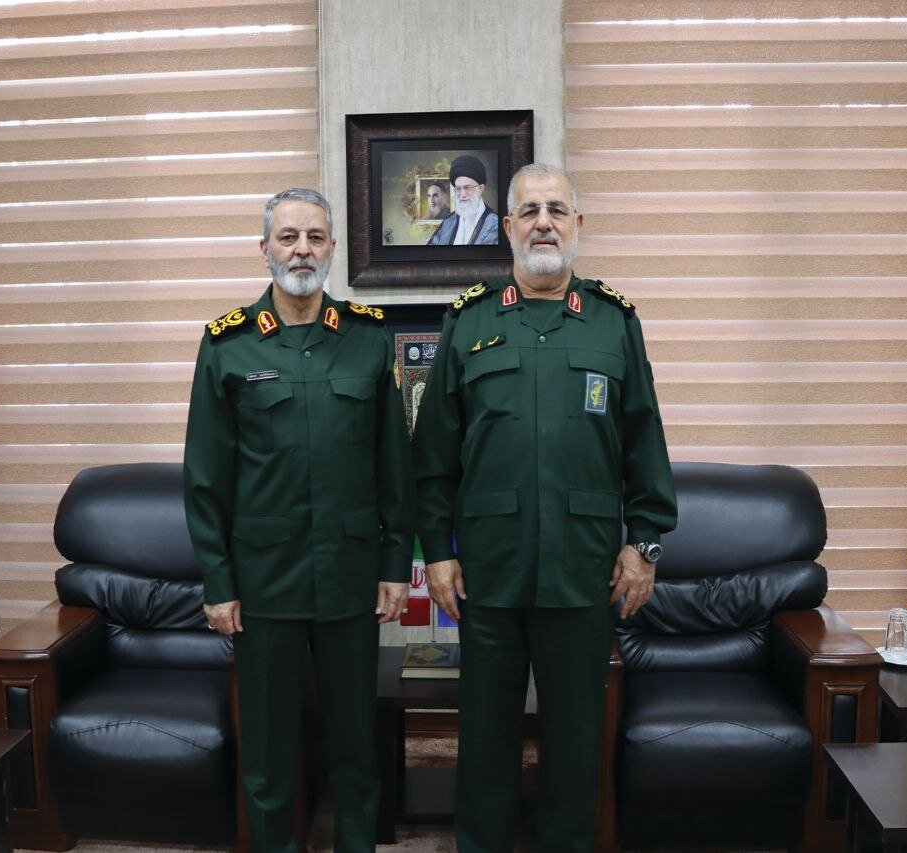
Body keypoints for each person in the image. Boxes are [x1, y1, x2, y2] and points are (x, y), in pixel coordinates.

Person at [411, 163, 677, 851]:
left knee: (575, 744)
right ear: (506, 227)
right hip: (488, 574)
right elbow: (434, 455)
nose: (543, 224)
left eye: (557, 210)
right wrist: (437, 551)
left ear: (577, 224)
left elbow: (644, 443)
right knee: (485, 742)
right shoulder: (469, 321)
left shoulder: (614, 322)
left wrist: (644, 544)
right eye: (529, 211)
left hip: (583, 572)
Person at [184, 187, 415, 853]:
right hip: (264, 584)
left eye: (315, 237)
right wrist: (218, 582)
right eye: (288, 237)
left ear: (333, 247)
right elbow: (205, 478)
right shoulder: (226, 345)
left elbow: (393, 468)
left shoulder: (368, 339)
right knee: (268, 754)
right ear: (265, 249)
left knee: (355, 747)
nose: (302, 250)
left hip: (349, 577)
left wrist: (395, 565)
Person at [426, 154, 500, 245]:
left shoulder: (495, 224)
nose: (462, 195)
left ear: (480, 189)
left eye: (467, 188)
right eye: (458, 189)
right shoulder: (448, 221)